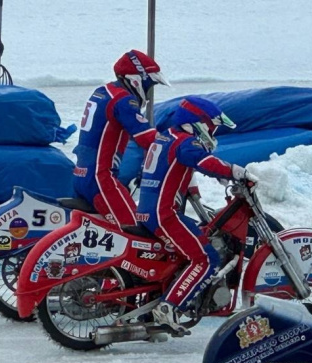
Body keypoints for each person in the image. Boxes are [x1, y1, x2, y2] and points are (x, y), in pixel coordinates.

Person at [136, 96, 258, 333]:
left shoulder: (165, 138)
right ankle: (169, 306)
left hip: (149, 211)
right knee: (204, 258)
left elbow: (178, 168)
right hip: (165, 215)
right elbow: (204, 161)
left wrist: (194, 191)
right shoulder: (185, 143)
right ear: (197, 123)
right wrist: (236, 171)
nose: (213, 130)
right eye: (211, 125)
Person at [72, 50, 170, 225]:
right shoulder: (123, 101)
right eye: (149, 86)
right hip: (102, 179)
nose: (148, 92)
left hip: (83, 174)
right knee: (135, 228)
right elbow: (147, 138)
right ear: (137, 80)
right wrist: (176, 143)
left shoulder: (102, 92)